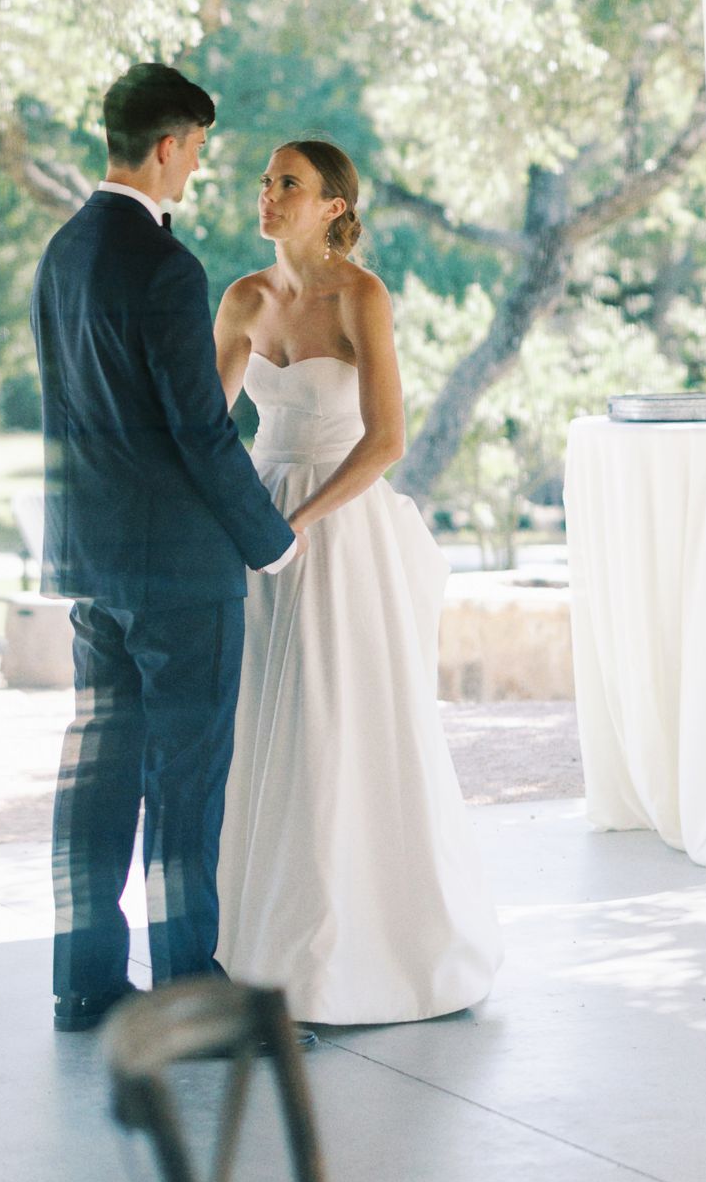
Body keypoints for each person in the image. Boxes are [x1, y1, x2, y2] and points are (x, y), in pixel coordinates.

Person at [31, 64, 301, 1034]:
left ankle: (86, 982)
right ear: (167, 146)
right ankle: (195, 998)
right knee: (185, 786)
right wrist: (269, 542)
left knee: (97, 775)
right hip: (182, 574)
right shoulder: (165, 268)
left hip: (94, 566)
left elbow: (68, 419)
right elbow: (201, 430)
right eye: (195, 148)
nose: (195, 166)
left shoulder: (60, 253)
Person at [214, 140, 501, 1025]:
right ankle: (261, 940)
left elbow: (386, 441)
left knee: (340, 717)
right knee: (264, 715)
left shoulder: (360, 296)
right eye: (265, 183)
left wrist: (297, 522)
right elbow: (203, 426)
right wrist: (241, 520)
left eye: (288, 185)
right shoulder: (243, 299)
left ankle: (368, 945)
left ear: (334, 205)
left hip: (340, 525)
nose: (268, 196)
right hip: (259, 522)